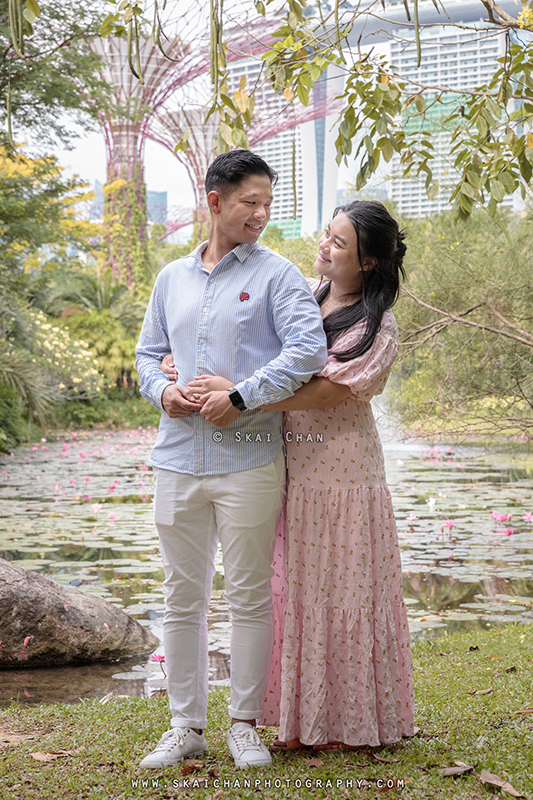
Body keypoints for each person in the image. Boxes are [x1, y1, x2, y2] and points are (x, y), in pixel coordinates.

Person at [178, 200, 415, 750]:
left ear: (370, 263)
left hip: (344, 477)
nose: (324, 247)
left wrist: (241, 399)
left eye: (338, 243)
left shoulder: (378, 326)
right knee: (294, 590)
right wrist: (192, 368)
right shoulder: (306, 294)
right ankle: (294, 718)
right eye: (327, 235)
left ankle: (347, 722)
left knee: (343, 590)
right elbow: (254, 345)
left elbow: (328, 390)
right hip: (290, 465)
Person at [135, 149, 328, 770]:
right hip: (176, 459)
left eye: (268, 203)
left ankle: (243, 724)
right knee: (180, 597)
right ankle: (185, 724)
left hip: (248, 460)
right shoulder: (171, 278)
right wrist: (163, 391)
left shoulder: (279, 275)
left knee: (248, 595)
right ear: (214, 202)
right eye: (250, 201)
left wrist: (240, 396)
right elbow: (147, 355)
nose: (261, 214)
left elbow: (307, 351)